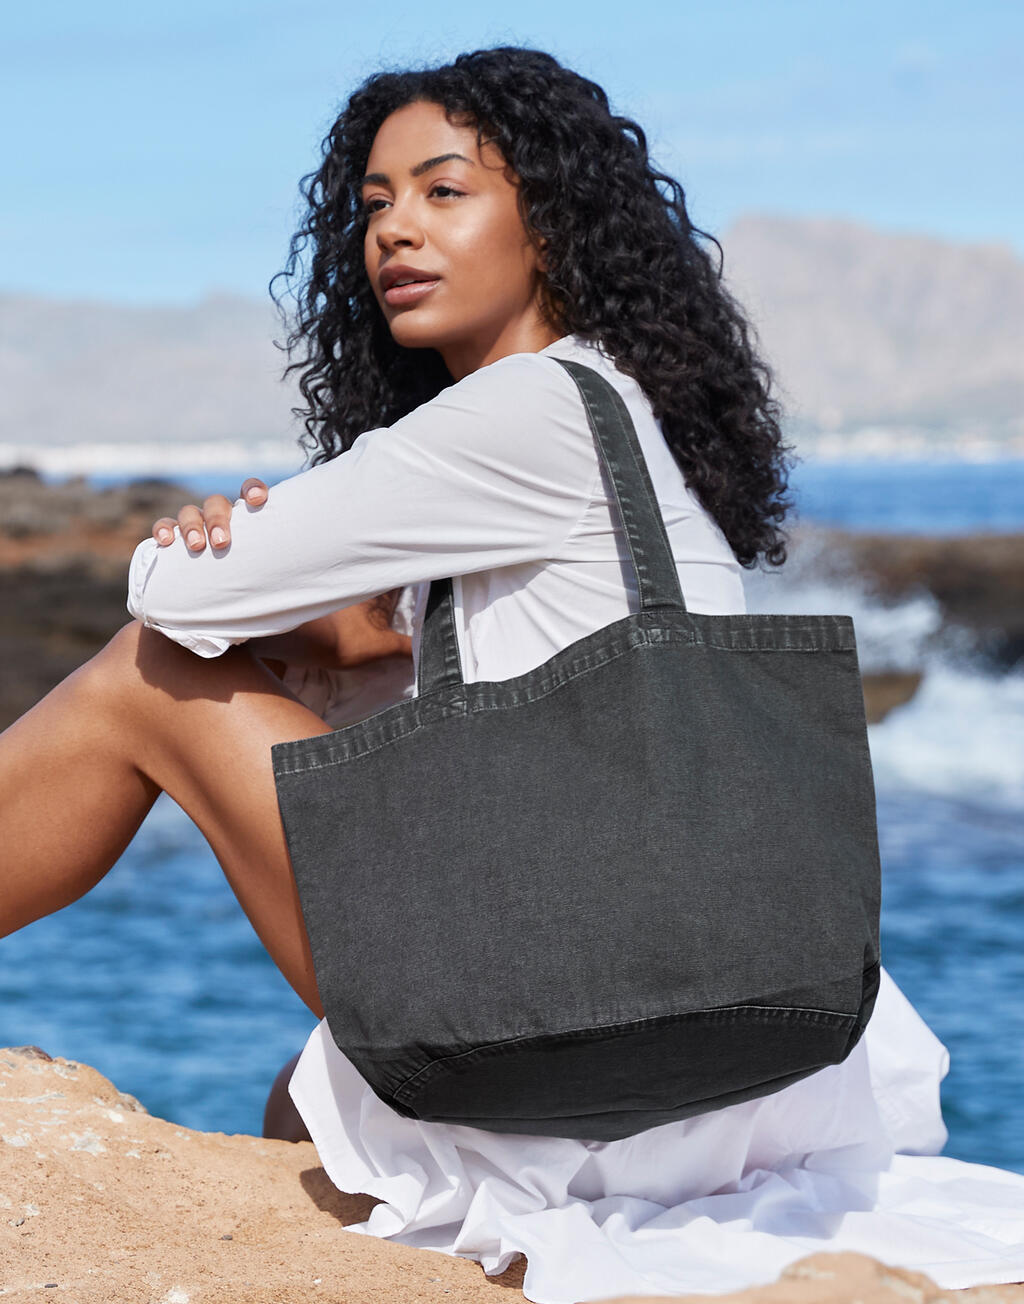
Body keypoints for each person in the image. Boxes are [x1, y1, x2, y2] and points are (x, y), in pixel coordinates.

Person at [4, 44, 1024, 1304]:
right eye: (374, 204)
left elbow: (172, 596)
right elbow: (409, 675)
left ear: (549, 220)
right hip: (726, 1036)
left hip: (581, 1000)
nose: (394, 230)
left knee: (144, 674)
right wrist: (322, 622)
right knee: (307, 1103)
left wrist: (215, 546)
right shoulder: (620, 411)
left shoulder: (522, 408)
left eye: (444, 191)